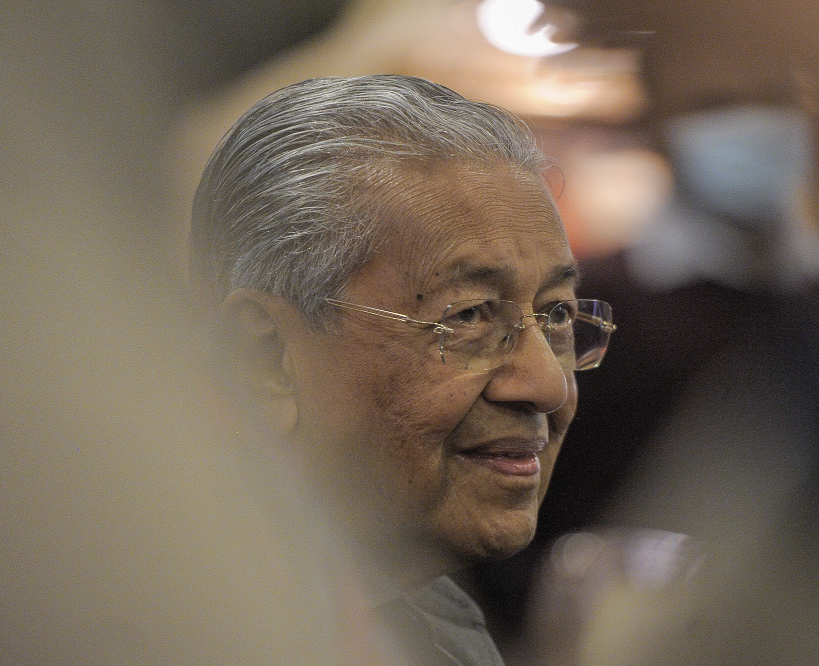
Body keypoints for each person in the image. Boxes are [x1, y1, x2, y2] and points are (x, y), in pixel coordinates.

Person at [189, 74, 616, 665]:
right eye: (468, 315)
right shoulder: (150, 621)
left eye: (558, 314)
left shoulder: (432, 626)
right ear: (266, 356)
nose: (548, 386)